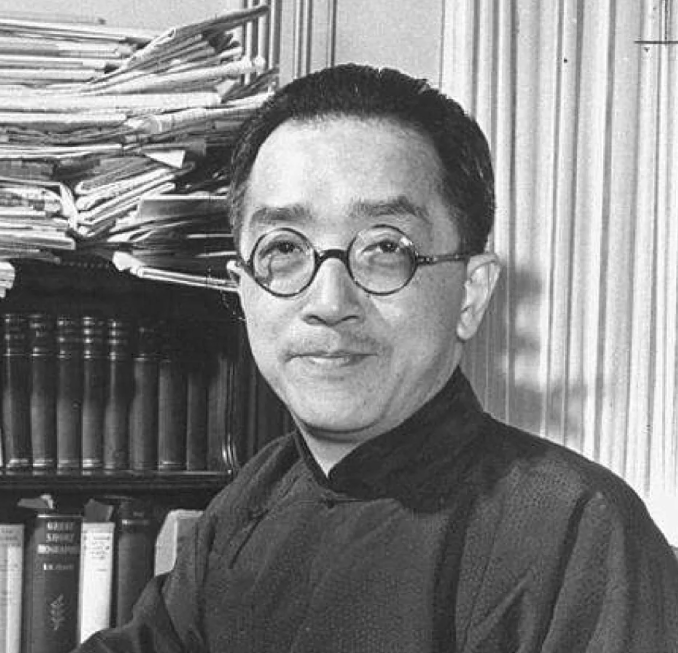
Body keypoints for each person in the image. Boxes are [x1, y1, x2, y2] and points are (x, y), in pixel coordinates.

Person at [75, 64, 678, 652]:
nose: (329, 302)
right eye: (284, 248)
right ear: (243, 290)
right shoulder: (254, 499)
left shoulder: (578, 533)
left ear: (470, 295)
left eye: (386, 248)